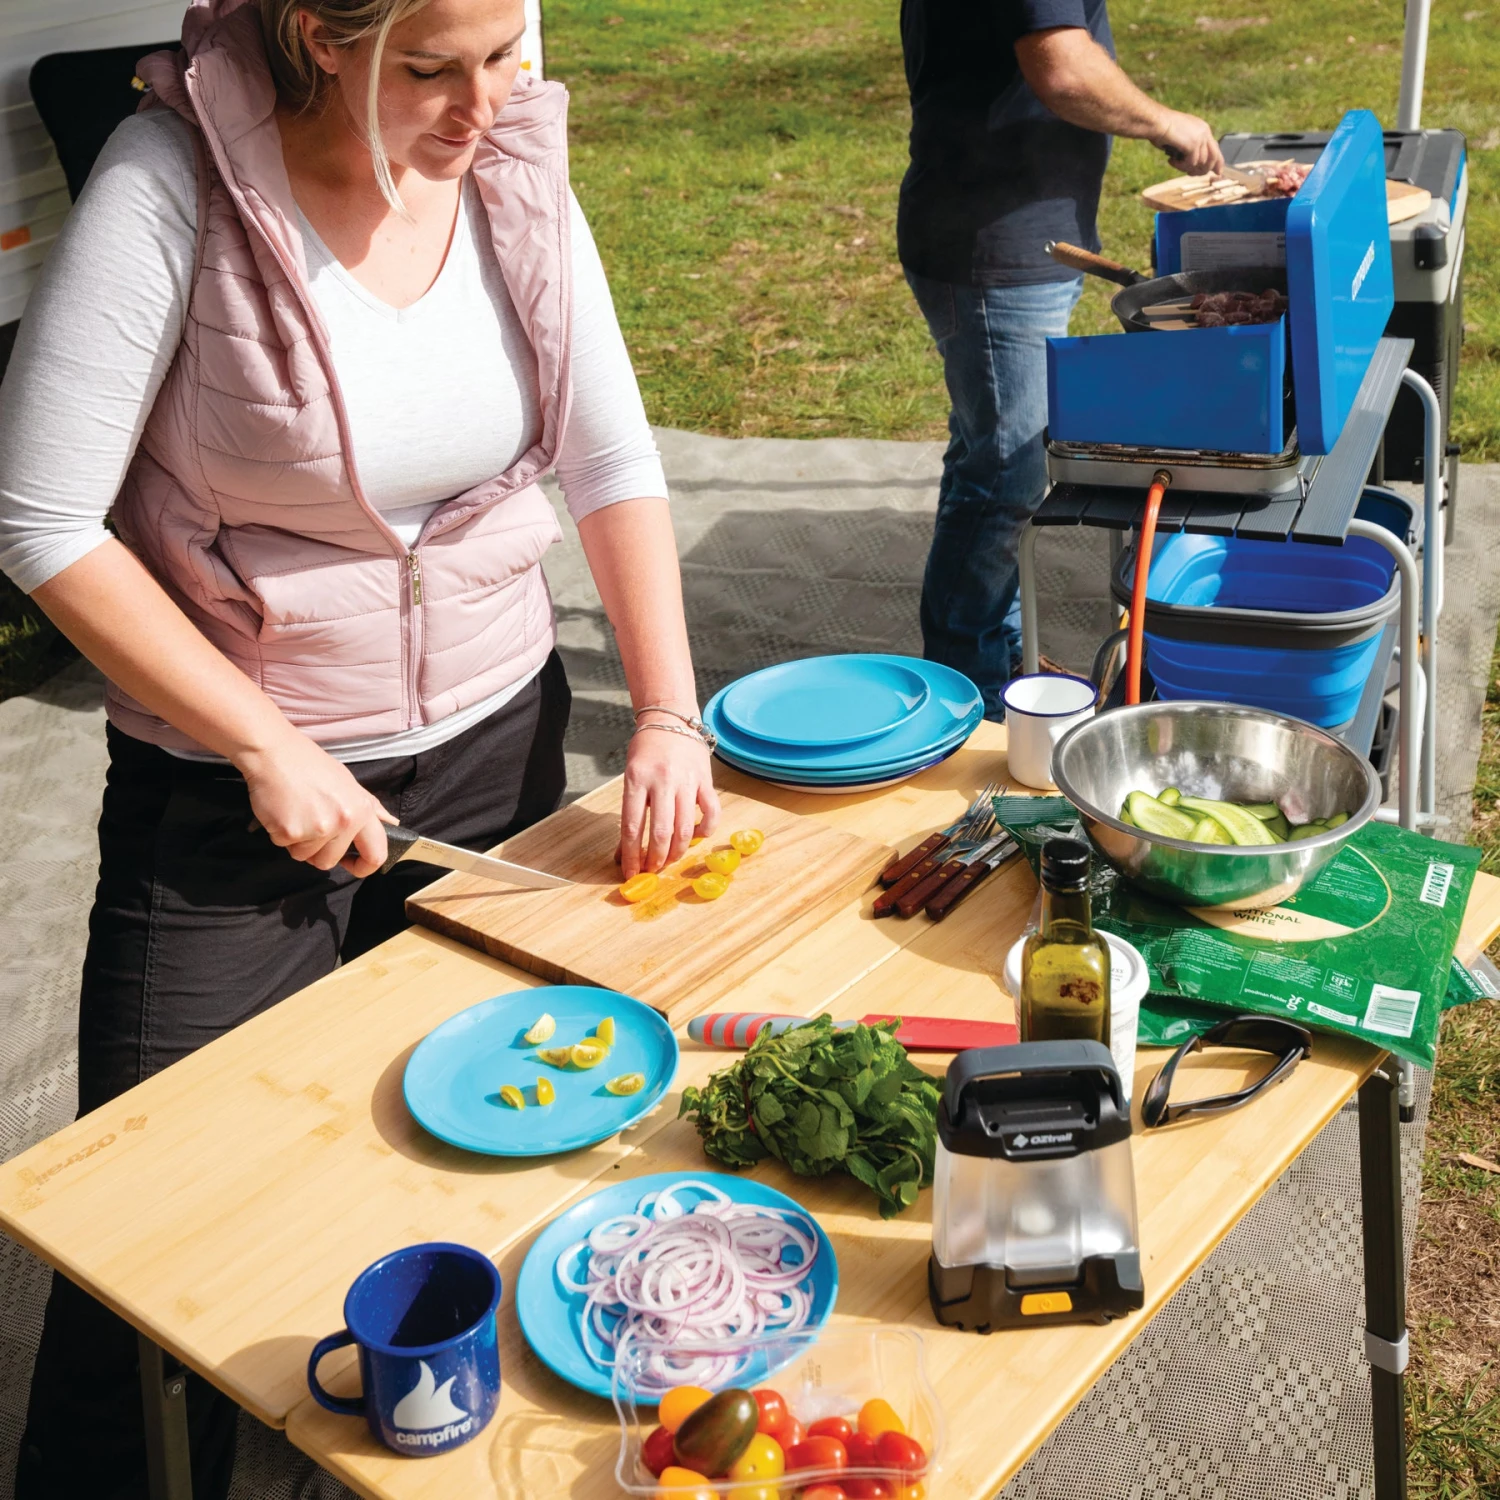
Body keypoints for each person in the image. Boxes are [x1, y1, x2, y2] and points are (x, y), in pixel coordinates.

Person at [0, 0, 718, 1493]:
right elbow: (43, 522)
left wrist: (664, 712)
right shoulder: (167, 183)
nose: (486, 106)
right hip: (228, 803)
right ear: (322, 36)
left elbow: (609, 451)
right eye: (436, 70)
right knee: (162, 1218)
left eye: (510, 53)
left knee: (473, 1143)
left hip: (494, 754)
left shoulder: (512, 166)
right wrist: (261, 741)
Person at [898, 0, 1225, 715]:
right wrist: (1170, 123)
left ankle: (995, 653)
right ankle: (969, 688)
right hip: (994, 244)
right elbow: (1063, 69)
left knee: (991, 454)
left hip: (1006, 234)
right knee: (1006, 473)